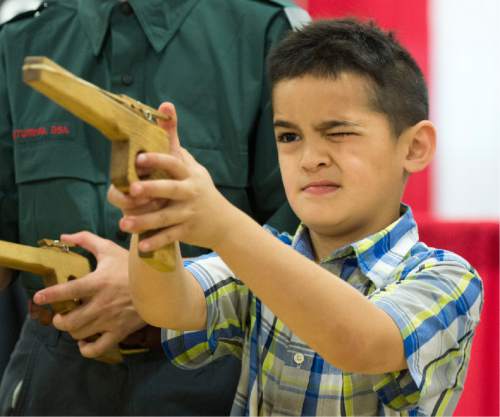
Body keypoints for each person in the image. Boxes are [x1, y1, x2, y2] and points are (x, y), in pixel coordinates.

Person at [108, 18, 484, 416]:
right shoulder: (263, 256)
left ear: (414, 147)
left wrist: (221, 223)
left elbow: (360, 341)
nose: (310, 159)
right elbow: (166, 305)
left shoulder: (446, 278)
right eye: (289, 137)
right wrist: (152, 218)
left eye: (338, 133)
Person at [0, 0, 309, 415]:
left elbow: (311, 238)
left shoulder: (265, 33)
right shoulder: (19, 41)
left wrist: (160, 291)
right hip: (51, 380)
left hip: (215, 375)